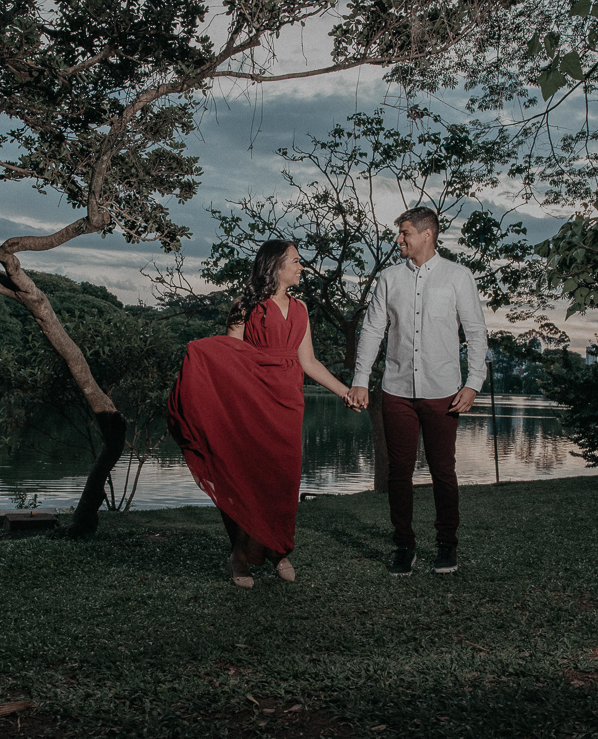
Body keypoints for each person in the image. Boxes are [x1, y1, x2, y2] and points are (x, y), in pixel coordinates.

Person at [167, 240, 356, 589]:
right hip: (252, 403)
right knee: (244, 478)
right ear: (275, 266)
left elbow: (308, 362)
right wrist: (200, 357)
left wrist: (345, 392)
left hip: (288, 404)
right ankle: (239, 555)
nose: (301, 267)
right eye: (295, 261)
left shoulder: (301, 308)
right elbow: (230, 358)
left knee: (283, 480)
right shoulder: (243, 306)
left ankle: (276, 550)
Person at [346, 206, 488, 576]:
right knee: (399, 472)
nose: (399, 240)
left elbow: (475, 332)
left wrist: (473, 383)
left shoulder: (458, 276)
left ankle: (447, 545)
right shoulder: (389, 278)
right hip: (396, 390)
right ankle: (404, 545)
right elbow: (372, 329)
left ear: (427, 234)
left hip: (444, 391)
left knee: (443, 470)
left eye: (405, 233)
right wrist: (360, 378)